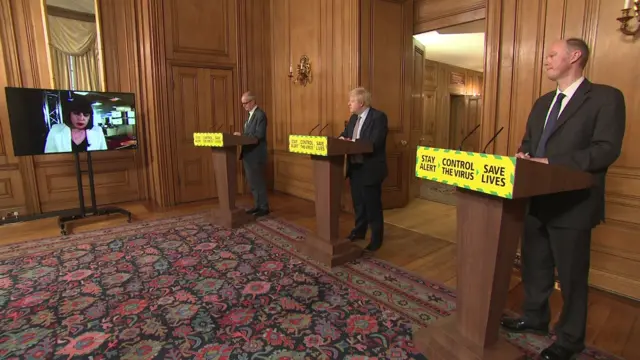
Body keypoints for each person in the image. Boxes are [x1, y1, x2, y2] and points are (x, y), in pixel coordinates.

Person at [500, 38, 626, 360]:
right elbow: (529, 142)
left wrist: (550, 163)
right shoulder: (543, 102)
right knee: (535, 266)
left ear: (575, 56)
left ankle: (570, 339)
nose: (546, 60)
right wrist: (524, 155)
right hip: (534, 199)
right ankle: (535, 317)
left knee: (571, 277)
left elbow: (605, 150)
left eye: (552, 54)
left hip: (574, 204)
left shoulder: (605, 98)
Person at [339, 87, 388, 252]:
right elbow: (344, 134)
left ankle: (376, 238)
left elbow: (375, 142)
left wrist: (353, 142)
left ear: (361, 102)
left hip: (370, 168)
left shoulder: (378, 117)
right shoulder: (353, 118)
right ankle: (359, 231)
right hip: (355, 167)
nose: (349, 104)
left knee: (372, 204)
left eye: (351, 101)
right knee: (359, 203)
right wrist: (340, 139)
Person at [235, 91, 269, 216]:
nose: (244, 106)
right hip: (248, 154)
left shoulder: (260, 115)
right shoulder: (250, 115)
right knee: (253, 182)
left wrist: (242, 135)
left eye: (246, 103)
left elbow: (258, 135)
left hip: (256, 154)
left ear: (253, 101)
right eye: (242, 104)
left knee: (258, 181)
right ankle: (257, 205)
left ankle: (264, 207)